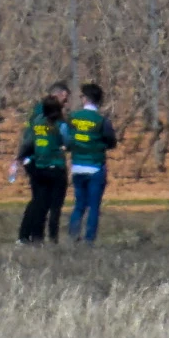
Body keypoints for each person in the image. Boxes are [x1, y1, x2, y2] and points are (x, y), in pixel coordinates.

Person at [65, 84, 120, 243]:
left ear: (85, 99)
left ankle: (73, 237)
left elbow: (68, 140)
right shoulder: (102, 120)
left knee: (79, 205)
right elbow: (111, 142)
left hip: (77, 166)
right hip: (95, 166)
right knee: (94, 207)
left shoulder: (73, 117)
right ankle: (89, 240)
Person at [15, 94, 69, 245]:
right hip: (57, 168)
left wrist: (20, 158)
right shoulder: (60, 125)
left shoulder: (37, 123)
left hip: (39, 167)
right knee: (55, 207)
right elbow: (68, 141)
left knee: (40, 203)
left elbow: (29, 142)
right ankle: (53, 238)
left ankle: (37, 237)